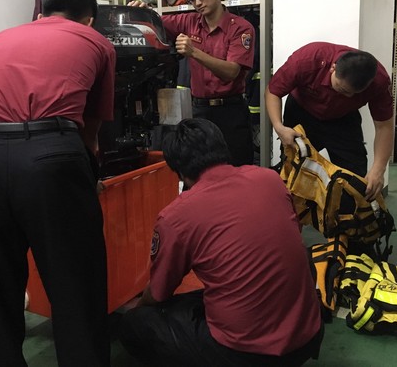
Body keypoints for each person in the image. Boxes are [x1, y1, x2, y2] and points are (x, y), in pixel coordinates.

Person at [0, 0, 115, 367]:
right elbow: (90, 130)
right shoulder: (96, 42)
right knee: (76, 283)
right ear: (89, 19)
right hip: (49, 156)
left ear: (40, 12)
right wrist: (86, 174)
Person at [119, 118, 324, 367]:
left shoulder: (177, 216)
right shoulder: (270, 179)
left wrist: (138, 308)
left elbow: (159, 292)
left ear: (179, 172)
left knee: (136, 324)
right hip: (308, 336)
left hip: (246, 355)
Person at [129, 0, 255, 166]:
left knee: (236, 169)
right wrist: (142, 12)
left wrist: (194, 52)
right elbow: (156, 23)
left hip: (230, 112)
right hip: (199, 111)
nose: (197, 3)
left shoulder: (241, 28)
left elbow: (232, 71)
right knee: (200, 169)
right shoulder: (189, 21)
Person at [265, 41, 394, 201]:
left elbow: (384, 127)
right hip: (302, 112)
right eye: (343, 90)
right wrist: (279, 127)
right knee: (293, 170)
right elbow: (273, 92)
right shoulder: (307, 60)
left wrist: (379, 169)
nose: (347, 96)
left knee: (354, 177)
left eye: (353, 94)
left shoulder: (379, 81)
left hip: (343, 118)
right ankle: (292, 213)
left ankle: (348, 213)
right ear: (333, 68)